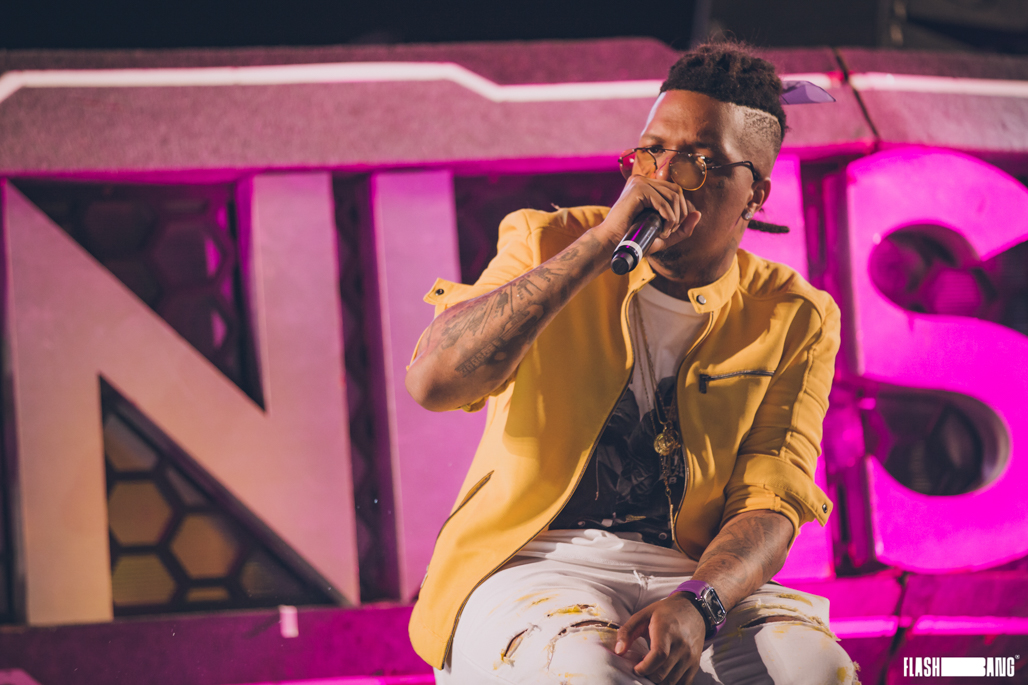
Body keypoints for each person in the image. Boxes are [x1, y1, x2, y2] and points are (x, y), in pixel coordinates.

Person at [405, 41, 858, 685]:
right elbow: (434, 381)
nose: (662, 176)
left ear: (753, 192)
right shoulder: (546, 240)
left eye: (698, 160)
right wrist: (597, 245)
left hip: (694, 577)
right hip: (532, 565)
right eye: (650, 152)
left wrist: (701, 602)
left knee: (816, 670)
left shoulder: (793, 314)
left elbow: (771, 501)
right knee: (590, 672)